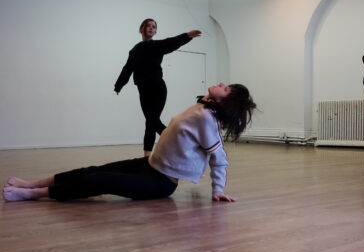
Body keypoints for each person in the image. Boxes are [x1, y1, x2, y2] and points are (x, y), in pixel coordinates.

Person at [3, 83, 256, 203]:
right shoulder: (201, 105)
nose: (222, 84)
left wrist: (217, 190)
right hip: (149, 164)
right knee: (91, 170)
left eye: (227, 88)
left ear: (225, 101)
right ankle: (32, 183)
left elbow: (219, 157)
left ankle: (34, 194)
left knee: (96, 181)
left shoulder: (207, 119)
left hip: (160, 183)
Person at [114, 18, 202, 157]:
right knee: (151, 121)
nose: (151, 28)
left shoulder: (157, 45)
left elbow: (171, 42)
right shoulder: (134, 51)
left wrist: (187, 36)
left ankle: (157, 151)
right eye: (148, 25)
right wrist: (118, 85)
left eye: (154, 26)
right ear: (141, 28)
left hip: (157, 88)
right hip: (143, 90)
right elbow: (127, 69)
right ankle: (150, 156)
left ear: (155, 31)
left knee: (151, 121)